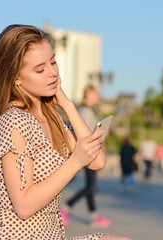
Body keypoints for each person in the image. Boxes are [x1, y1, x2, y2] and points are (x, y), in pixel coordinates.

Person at [0, 24, 131, 240]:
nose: (52, 73)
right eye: (40, 69)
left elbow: (97, 161)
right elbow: (23, 205)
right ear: (16, 78)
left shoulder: (52, 116)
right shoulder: (13, 122)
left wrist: (67, 105)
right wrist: (74, 162)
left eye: (53, 61)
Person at [60, 85, 111, 229]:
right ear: (88, 94)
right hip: (89, 153)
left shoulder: (87, 111)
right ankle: (66, 207)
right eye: (96, 94)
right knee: (91, 185)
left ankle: (93, 215)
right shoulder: (85, 111)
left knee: (90, 185)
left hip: (91, 152)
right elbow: (84, 133)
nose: (98, 97)